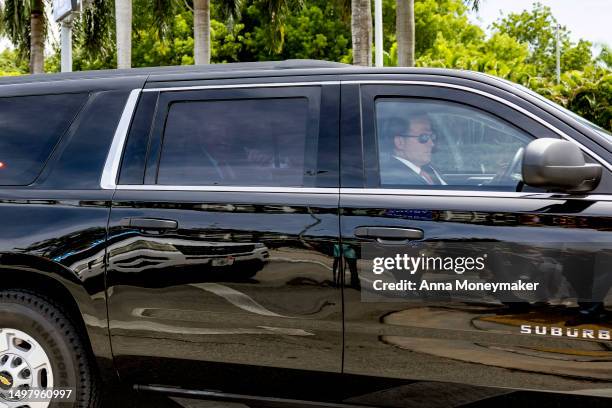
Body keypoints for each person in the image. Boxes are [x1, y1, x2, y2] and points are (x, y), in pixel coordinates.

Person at [380, 114, 446, 186]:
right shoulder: (397, 180)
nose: (431, 144)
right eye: (424, 137)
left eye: (432, 136)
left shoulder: (427, 169)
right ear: (400, 142)